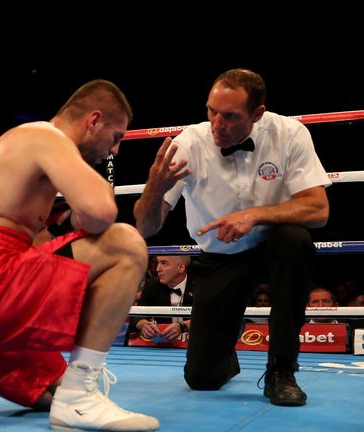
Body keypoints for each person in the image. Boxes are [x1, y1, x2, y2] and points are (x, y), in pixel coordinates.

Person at [0, 80, 159, 431]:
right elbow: (101, 211)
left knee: (48, 392)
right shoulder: (47, 137)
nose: (115, 150)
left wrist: (64, 220)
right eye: (116, 136)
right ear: (93, 120)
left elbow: (43, 246)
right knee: (126, 243)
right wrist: (84, 207)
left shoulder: (26, 155)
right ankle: (81, 399)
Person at [133, 68, 330, 406]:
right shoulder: (188, 144)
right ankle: (225, 346)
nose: (217, 124)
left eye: (230, 116)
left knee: (295, 240)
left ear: (257, 113)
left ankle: (282, 369)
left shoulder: (289, 133)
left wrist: (254, 215)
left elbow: (318, 209)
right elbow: (146, 227)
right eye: (212, 111)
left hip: (273, 246)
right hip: (220, 257)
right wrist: (154, 189)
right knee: (202, 379)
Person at [130, 255, 193, 342]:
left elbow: (211, 317)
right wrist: (144, 325)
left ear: (181, 267)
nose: (157, 269)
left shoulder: (200, 285)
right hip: (162, 346)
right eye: (158, 263)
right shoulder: (152, 285)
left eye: (164, 263)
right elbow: (137, 315)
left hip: (195, 346)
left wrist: (183, 326)